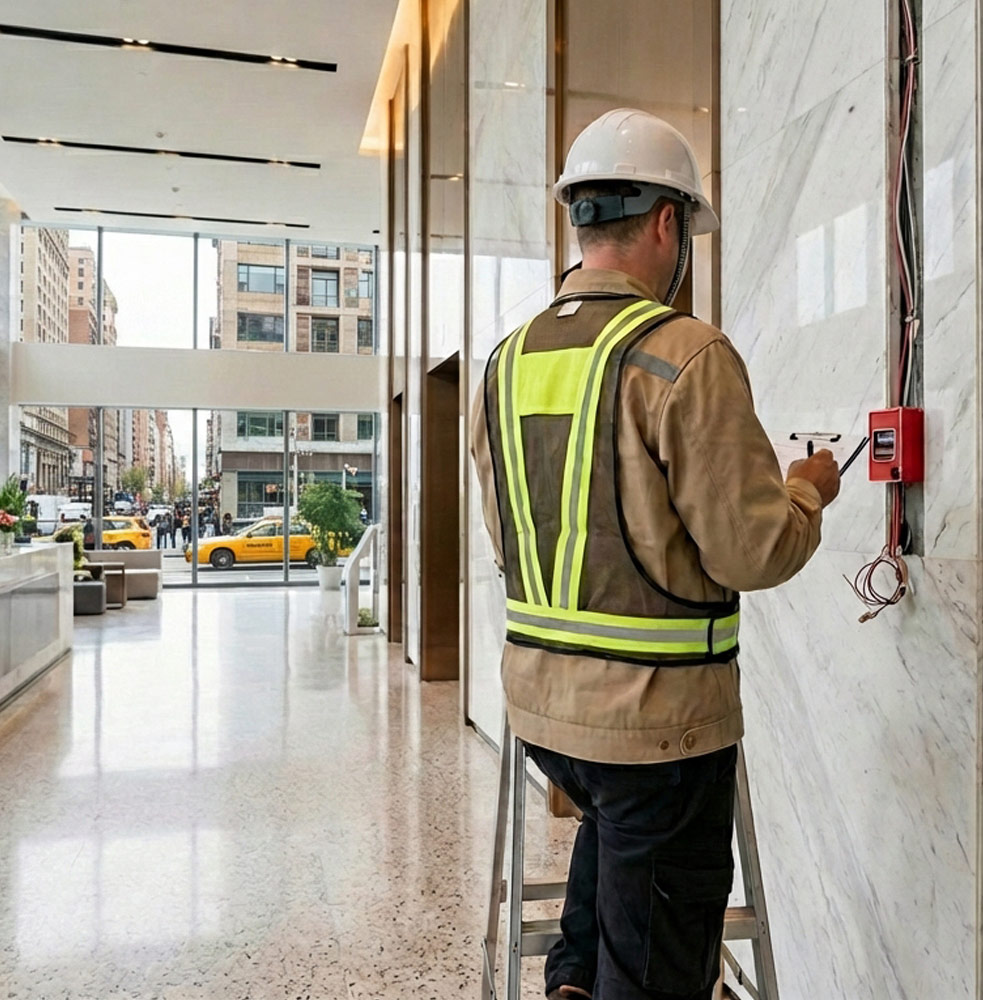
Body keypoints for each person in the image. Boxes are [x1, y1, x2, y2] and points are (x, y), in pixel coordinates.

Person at [471, 109, 840, 1000]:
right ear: (670, 223)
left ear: (580, 220)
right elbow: (753, 551)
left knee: (611, 836)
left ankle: (569, 983)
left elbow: (513, 529)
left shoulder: (505, 360)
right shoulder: (684, 354)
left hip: (547, 718)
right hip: (663, 730)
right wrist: (807, 491)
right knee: (660, 963)